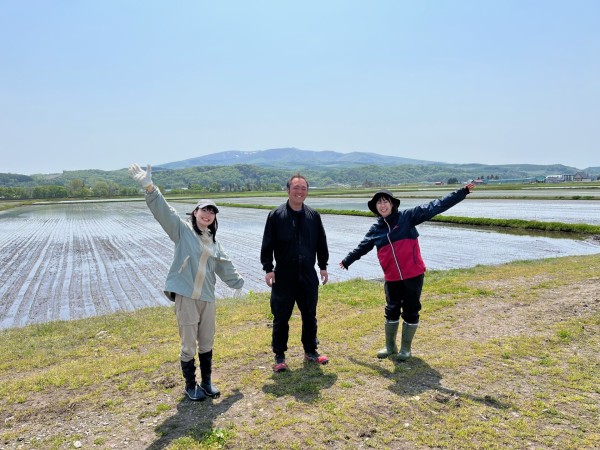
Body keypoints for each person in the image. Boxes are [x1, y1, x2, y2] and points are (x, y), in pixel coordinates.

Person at [129, 163, 244, 401]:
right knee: (189, 345)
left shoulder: (214, 243)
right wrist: (150, 187)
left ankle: (207, 382)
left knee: (207, 342)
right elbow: (164, 212)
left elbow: (225, 265)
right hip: (186, 297)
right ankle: (190, 385)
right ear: (194, 213)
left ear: (214, 219)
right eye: (204, 210)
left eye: (212, 212)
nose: (207, 215)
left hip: (207, 298)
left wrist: (238, 284)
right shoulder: (182, 232)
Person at [339, 183, 476, 361]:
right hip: (392, 277)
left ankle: (406, 348)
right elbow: (362, 247)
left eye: (385, 201)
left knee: (411, 309)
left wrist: (462, 192)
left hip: (413, 274)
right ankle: (390, 346)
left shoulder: (407, 217)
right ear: (376, 207)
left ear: (392, 204)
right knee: (392, 309)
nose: (382, 205)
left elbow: (436, 206)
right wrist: (347, 260)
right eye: (379, 203)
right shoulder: (376, 229)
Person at [260, 173, 330, 372]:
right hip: (284, 274)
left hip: (308, 273)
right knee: (281, 316)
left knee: (310, 314)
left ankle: (310, 351)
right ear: (288, 190)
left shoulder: (313, 216)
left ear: (307, 192)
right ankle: (279, 355)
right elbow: (268, 244)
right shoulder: (276, 215)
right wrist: (268, 268)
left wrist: (323, 266)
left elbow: (321, 242)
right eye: (296, 188)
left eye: (303, 188)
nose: (299, 192)